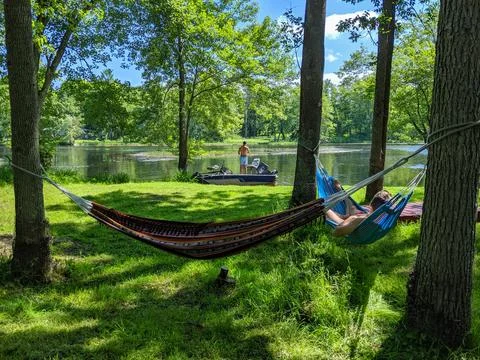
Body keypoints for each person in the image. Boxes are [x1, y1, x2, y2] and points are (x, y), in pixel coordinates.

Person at [326, 190, 392, 237]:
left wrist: (353, 219)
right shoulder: (386, 217)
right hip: (354, 220)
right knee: (350, 204)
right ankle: (341, 191)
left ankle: (340, 192)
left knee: (325, 208)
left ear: (371, 206)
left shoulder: (362, 219)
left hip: (344, 223)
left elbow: (336, 233)